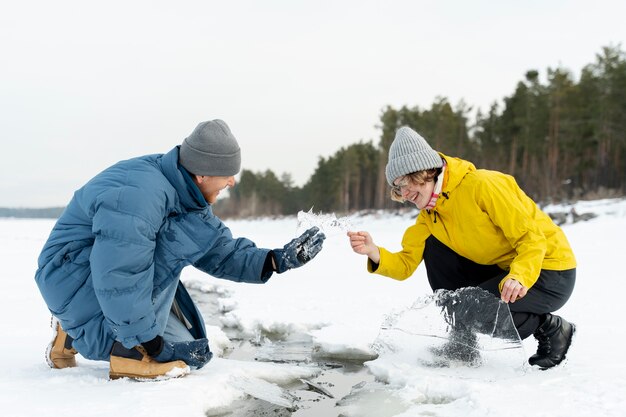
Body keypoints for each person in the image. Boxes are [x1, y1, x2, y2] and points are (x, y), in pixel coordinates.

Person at [36, 119, 326, 380]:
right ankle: (127, 353)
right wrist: (147, 345)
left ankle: (71, 333)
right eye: (227, 173)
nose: (231, 181)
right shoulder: (140, 195)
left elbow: (219, 251)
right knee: (144, 343)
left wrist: (275, 260)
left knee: (187, 352)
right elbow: (120, 271)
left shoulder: (185, 195)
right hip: (70, 277)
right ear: (202, 173)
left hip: (95, 281)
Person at [348, 126, 577, 369]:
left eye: (404, 183)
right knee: (435, 247)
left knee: (475, 309)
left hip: (548, 270)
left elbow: (531, 236)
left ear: (423, 170)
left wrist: (519, 276)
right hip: (505, 270)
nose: (403, 194)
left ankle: (551, 328)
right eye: (397, 187)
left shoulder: (483, 185)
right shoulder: (430, 215)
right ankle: (462, 342)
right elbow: (405, 265)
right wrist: (373, 251)